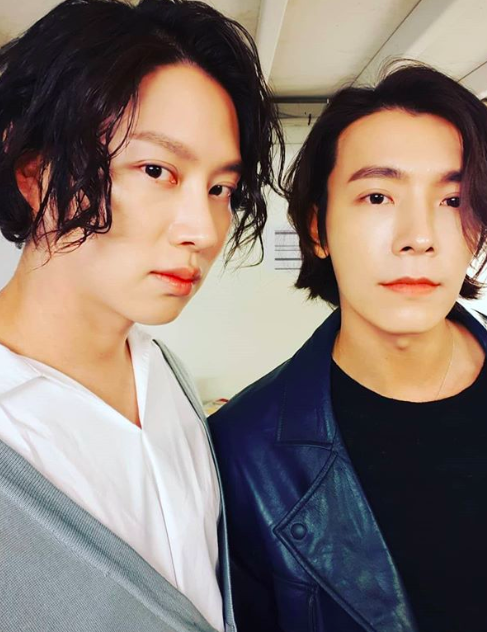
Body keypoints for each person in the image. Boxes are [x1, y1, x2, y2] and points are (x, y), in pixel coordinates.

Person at [0, 1, 283, 631]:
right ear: (34, 173)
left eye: (220, 189)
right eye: (157, 170)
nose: (203, 230)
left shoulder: (167, 377)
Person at [210, 63, 487, 632]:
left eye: (453, 199)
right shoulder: (242, 453)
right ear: (318, 228)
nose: (418, 237)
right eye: (378, 196)